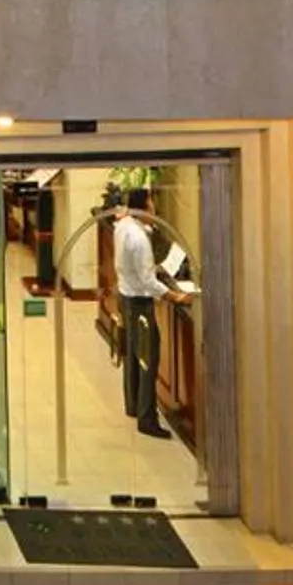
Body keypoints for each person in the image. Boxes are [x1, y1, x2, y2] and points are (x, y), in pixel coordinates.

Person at [113, 186, 175, 437]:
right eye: (152, 203)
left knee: (132, 354)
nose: (154, 208)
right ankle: (147, 419)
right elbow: (148, 282)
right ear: (145, 206)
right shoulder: (139, 239)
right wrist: (173, 295)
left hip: (124, 294)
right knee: (148, 359)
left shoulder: (123, 225)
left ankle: (132, 404)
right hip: (139, 301)